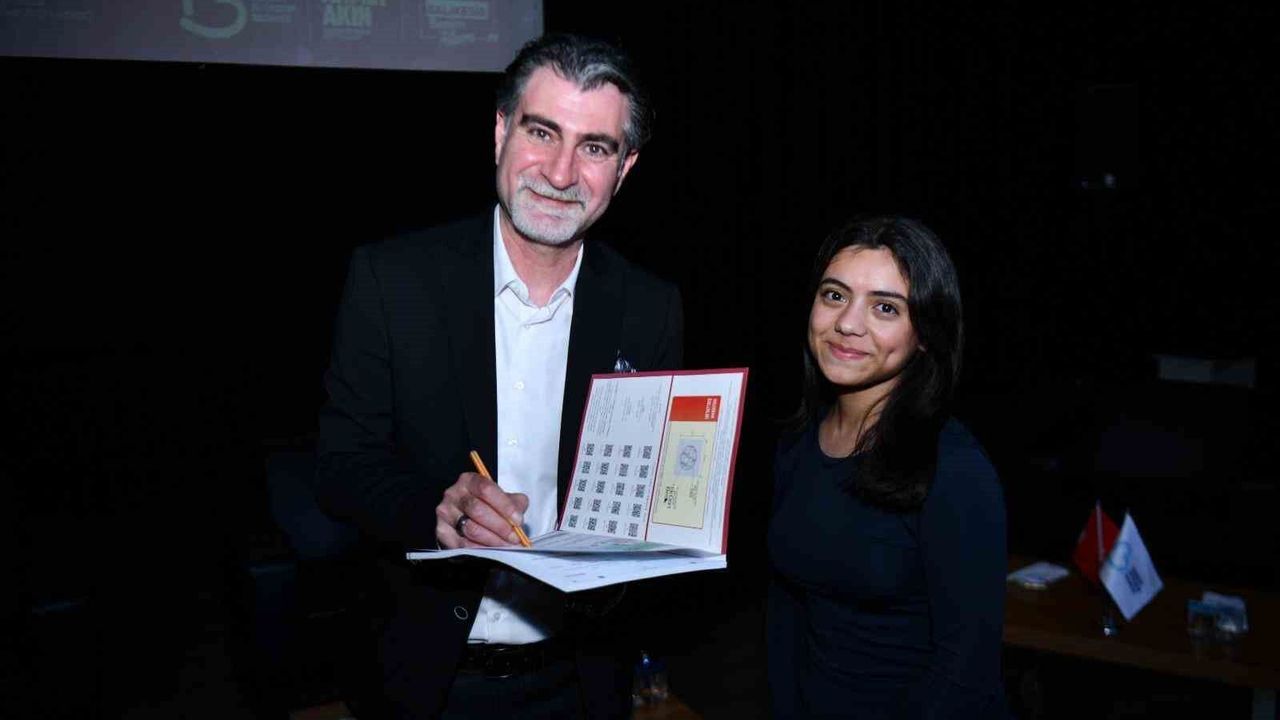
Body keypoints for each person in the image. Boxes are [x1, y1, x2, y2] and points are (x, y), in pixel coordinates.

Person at [314, 33, 682, 718]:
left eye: (594, 148)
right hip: (423, 680)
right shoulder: (393, 281)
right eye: (542, 133)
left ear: (624, 168)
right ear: (500, 131)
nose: (561, 173)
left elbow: (648, 499)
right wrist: (436, 509)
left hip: (581, 680)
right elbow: (341, 463)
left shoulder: (650, 308)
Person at [767, 216, 1007, 718]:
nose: (848, 323)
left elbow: (966, 669)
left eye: (885, 307)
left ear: (925, 334)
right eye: (834, 295)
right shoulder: (797, 443)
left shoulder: (954, 469)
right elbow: (788, 614)